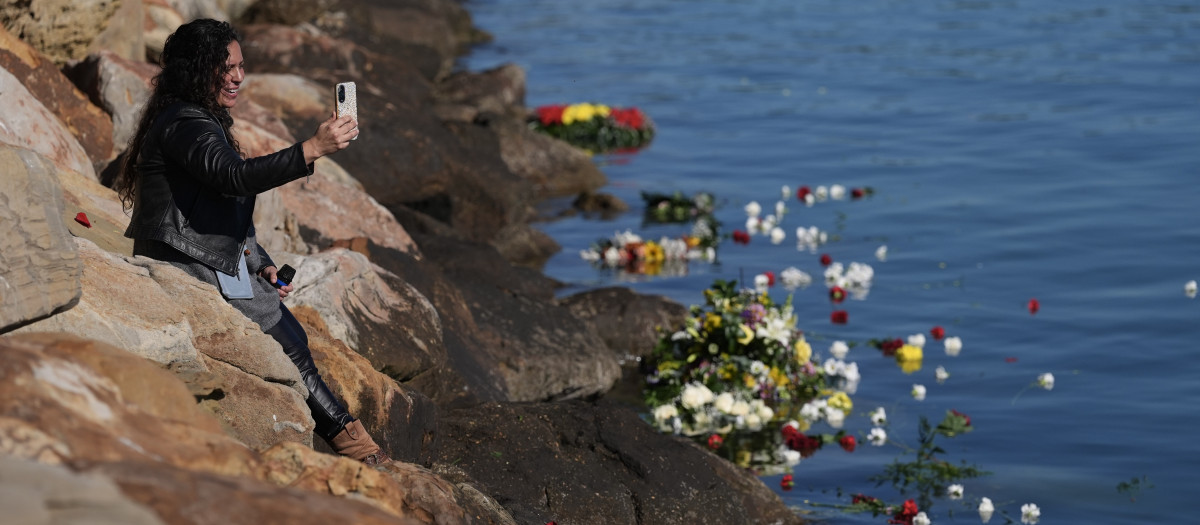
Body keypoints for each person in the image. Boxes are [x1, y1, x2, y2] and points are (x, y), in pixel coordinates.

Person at [113, 18, 389, 465]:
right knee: (288, 345)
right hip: (182, 260)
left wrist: (258, 261)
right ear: (197, 69)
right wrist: (311, 149)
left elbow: (216, 202)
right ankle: (356, 445)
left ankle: (348, 439)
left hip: (204, 251)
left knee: (293, 333)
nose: (238, 76)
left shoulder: (197, 117)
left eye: (241, 66)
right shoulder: (187, 123)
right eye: (227, 67)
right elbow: (233, 178)